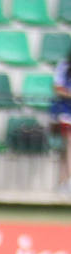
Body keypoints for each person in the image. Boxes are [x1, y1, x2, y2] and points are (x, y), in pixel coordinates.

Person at [50, 54, 71, 192]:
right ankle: (68, 181)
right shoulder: (64, 66)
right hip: (65, 112)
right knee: (69, 143)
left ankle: (63, 183)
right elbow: (58, 88)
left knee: (66, 151)